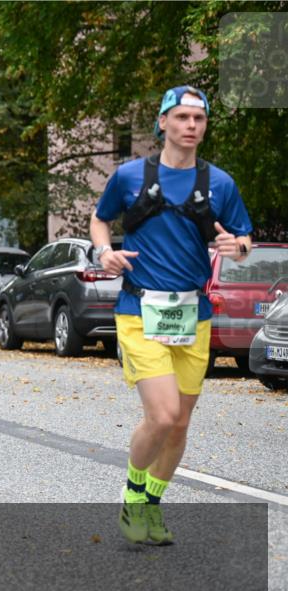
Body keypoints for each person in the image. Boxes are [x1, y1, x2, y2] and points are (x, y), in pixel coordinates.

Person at [90, 86, 252, 545]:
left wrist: (237, 247)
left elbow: (243, 238)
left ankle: (152, 505)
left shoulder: (220, 183)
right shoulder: (129, 176)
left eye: (198, 119)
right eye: (181, 117)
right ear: (163, 122)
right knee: (162, 416)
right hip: (139, 310)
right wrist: (104, 252)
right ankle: (132, 495)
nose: (191, 126)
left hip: (192, 314)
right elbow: (100, 219)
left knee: (180, 423)